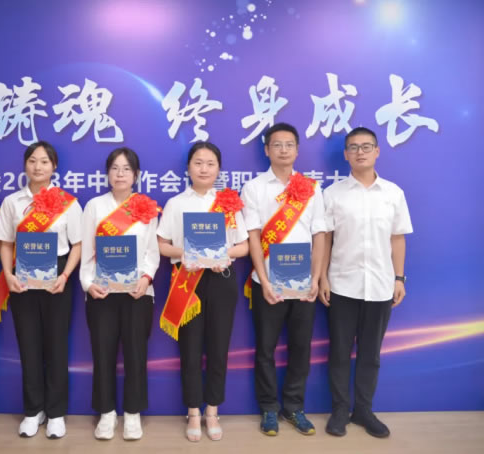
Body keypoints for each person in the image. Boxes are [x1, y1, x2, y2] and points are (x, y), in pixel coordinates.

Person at [319, 126, 412, 438]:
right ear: (346, 155)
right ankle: (339, 411)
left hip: (381, 285)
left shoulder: (393, 193)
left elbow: (397, 239)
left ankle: (364, 410)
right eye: (354, 147)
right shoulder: (332, 194)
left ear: (377, 151)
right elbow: (326, 239)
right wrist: (322, 277)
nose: (360, 152)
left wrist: (398, 277)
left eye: (366, 146)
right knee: (339, 352)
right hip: (342, 284)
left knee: (371, 354)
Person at [157, 142, 248, 442]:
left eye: (210, 163)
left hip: (221, 280)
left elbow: (244, 245)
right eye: (198, 163)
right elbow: (161, 244)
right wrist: (186, 254)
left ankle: (212, 410)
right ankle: (193, 411)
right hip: (188, 281)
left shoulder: (228, 203)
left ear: (219, 169)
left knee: (219, 348)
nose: (204, 169)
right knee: (191, 350)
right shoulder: (176, 204)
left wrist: (223, 254)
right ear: (188, 168)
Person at [0, 141, 82, 439]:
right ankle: (33, 411)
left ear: (54, 166)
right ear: (25, 165)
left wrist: (65, 275)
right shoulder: (12, 202)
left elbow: (78, 245)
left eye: (44, 161)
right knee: (28, 344)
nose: (38, 166)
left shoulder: (68, 203)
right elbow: (6, 243)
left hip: (58, 277)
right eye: (32, 160)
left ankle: (55, 413)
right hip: (22, 277)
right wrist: (8, 275)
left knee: (56, 345)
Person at [241, 122, 326, 436]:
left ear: (297, 150)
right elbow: (253, 237)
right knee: (265, 348)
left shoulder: (312, 188)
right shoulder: (254, 188)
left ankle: (294, 407)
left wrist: (316, 278)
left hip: (304, 283)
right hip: (267, 283)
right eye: (277, 144)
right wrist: (263, 280)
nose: (283, 150)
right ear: (267, 149)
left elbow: (319, 235)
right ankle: (268, 408)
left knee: (300, 347)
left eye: (289, 144)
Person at [79, 147, 160, 441]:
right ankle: (106, 412)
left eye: (126, 169)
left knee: (136, 353)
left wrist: (146, 278)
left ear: (136, 175)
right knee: (103, 353)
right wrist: (88, 283)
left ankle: (133, 413)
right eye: (115, 168)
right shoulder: (94, 206)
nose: (120, 174)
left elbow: (152, 251)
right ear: (107, 173)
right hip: (101, 292)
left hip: (138, 293)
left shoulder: (145, 207)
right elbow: (87, 251)